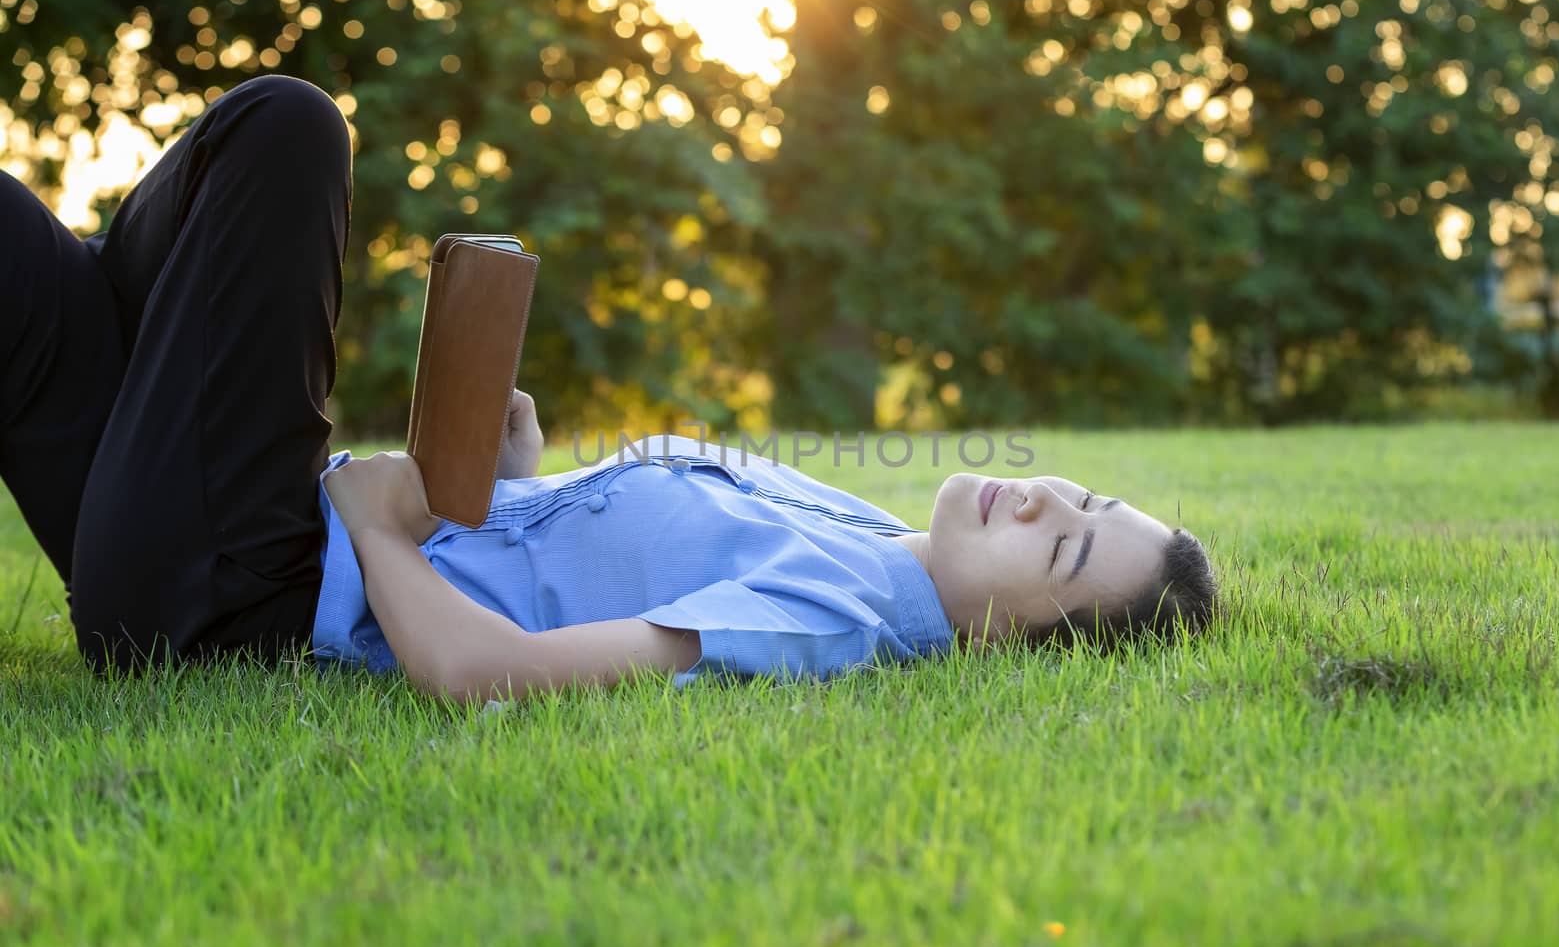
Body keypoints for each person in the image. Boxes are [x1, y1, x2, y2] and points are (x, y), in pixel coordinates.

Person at [1, 75, 1219, 700]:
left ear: (1010, 640)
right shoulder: (869, 536)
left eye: (1066, 553)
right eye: (1089, 503)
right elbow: (581, 572)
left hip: (233, 593)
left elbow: (491, 680)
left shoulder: (834, 616)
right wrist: (519, 486)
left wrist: (382, 534)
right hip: (204, 540)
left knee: (285, 132)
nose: (1051, 506)